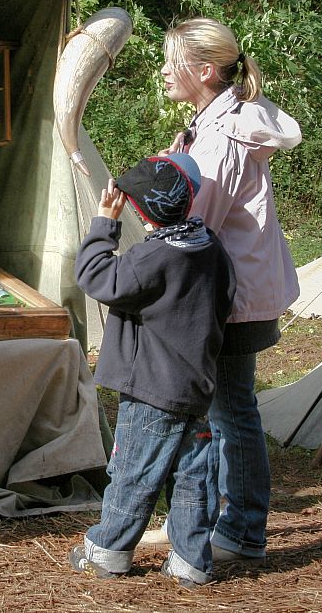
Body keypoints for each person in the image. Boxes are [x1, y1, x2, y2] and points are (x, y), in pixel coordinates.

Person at [140, 18, 302, 564]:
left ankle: (242, 531)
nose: (164, 69)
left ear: (205, 71)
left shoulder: (225, 135)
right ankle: (204, 520)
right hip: (227, 291)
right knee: (220, 412)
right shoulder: (212, 124)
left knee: (230, 412)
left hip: (229, 296)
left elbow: (194, 221)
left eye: (172, 60)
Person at [69, 153, 236, 588]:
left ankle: (108, 551)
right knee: (192, 479)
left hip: (150, 391)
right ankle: (191, 561)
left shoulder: (153, 258)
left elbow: (95, 276)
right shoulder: (211, 246)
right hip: (196, 387)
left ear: (142, 212)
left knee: (134, 472)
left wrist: (105, 223)